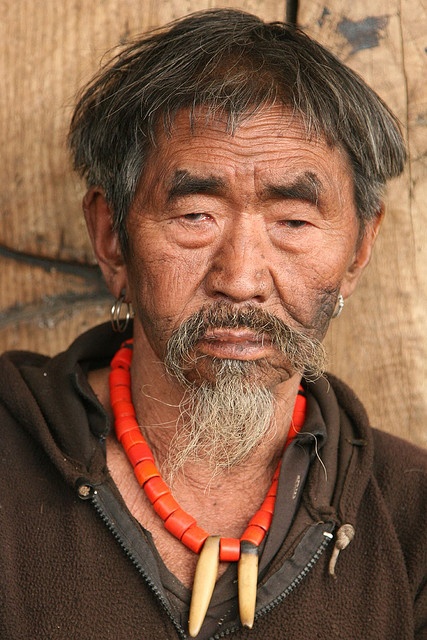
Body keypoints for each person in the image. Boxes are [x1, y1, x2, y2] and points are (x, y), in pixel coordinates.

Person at [0, 8, 425, 639]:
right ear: (112, 237)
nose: (243, 277)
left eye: (294, 223)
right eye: (195, 214)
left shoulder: (411, 516)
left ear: (359, 250)